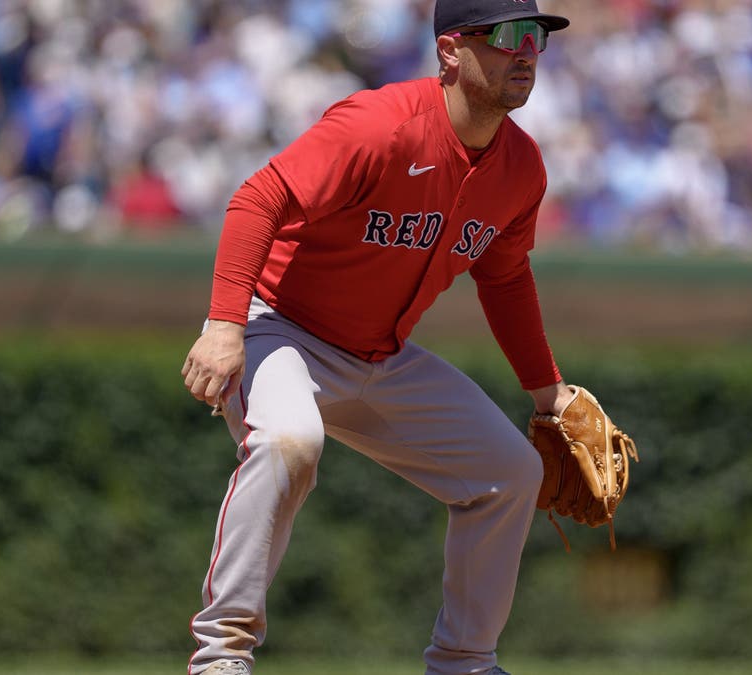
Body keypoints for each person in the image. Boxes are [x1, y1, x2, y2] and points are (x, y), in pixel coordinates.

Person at [180, 2, 574, 673]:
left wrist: (549, 394)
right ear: (451, 53)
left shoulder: (521, 168)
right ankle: (222, 656)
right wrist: (223, 324)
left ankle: (464, 661)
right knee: (289, 439)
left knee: (511, 473)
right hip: (282, 329)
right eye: (508, 36)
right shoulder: (381, 125)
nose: (527, 52)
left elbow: (505, 279)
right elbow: (258, 198)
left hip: (381, 359)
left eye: (535, 37)